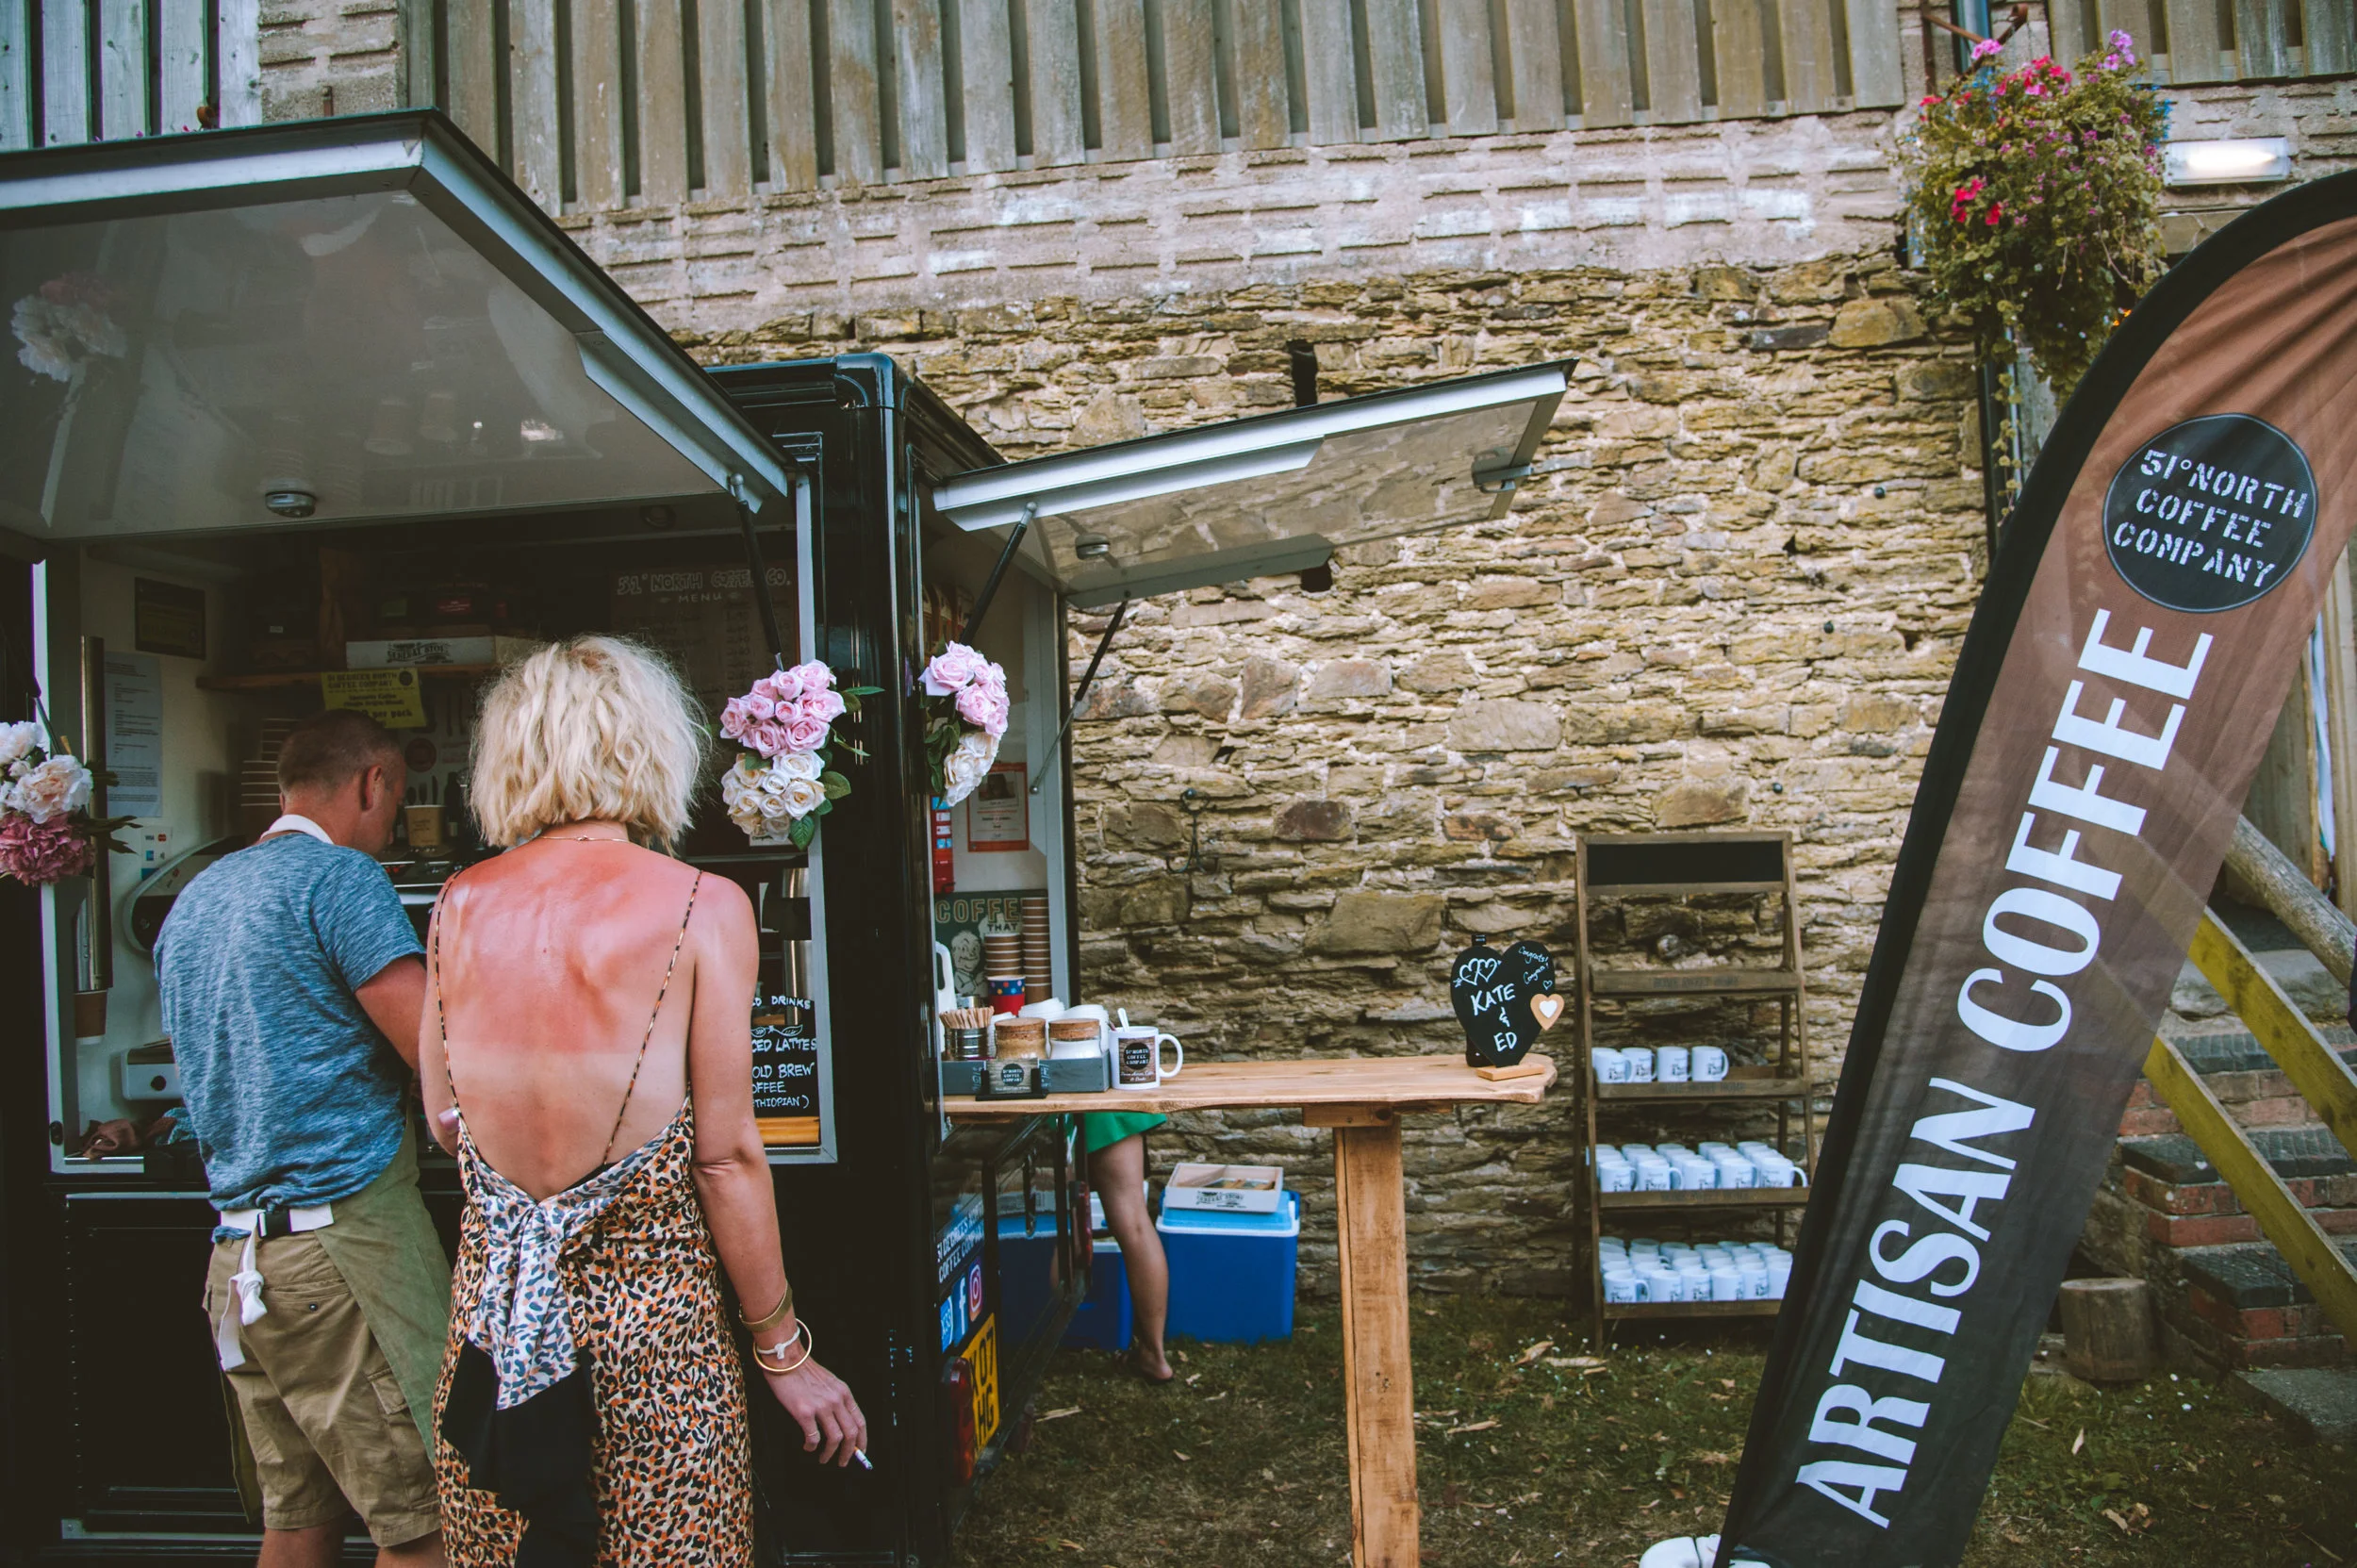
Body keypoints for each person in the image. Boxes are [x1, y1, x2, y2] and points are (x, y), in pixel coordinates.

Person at [424, 636, 865, 1568]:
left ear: (510, 755)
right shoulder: (703, 904)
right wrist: (785, 1353)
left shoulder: (456, 903)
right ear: (651, 747)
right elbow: (725, 1155)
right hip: (652, 1350)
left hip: (496, 1342)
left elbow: (444, 1117)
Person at [157, 708, 451, 1568]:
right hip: (344, 1254)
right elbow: (432, 1049)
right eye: (392, 806)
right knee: (428, 1522)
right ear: (374, 784)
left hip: (241, 1270)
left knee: (295, 1524)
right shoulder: (342, 881)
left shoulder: (198, 896)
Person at [1080, 1114, 1173, 1382]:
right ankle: (1153, 1353)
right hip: (1105, 1099)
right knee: (1134, 1223)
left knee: (1070, 1218)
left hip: (1087, 1096)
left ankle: (1058, 1342)